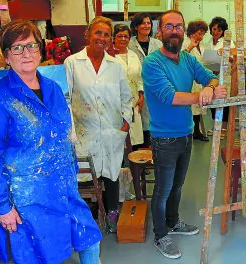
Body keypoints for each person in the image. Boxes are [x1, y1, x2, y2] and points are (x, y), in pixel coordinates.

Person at [0, 20, 101, 263]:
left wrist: (72, 169)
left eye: (31, 45)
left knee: (90, 239)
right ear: (6, 56)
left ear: (40, 50)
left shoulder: (53, 88)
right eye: (17, 48)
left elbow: (63, 136)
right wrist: (2, 206)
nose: (26, 53)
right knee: (40, 256)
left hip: (64, 188)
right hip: (28, 201)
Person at [141, 10, 227, 259]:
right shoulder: (152, 63)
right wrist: (203, 96)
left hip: (186, 133)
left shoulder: (188, 59)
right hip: (163, 137)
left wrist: (210, 87)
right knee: (163, 189)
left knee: (177, 186)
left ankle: (173, 221)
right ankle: (160, 235)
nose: (175, 31)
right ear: (161, 30)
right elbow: (170, 97)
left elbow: (209, 77)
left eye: (179, 26)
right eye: (170, 26)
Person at [64, 16, 133, 233]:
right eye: (98, 33)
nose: (102, 38)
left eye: (106, 35)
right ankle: (86, 219)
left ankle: (112, 214)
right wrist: (71, 132)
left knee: (111, 174)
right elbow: (66, 99)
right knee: (84, 177)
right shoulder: (72, 63)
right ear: (88, 34)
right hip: (84, 133)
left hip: (112, 129)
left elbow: (126, 97)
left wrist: (125, 124)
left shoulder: (115, 66)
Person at [130, 13, 163, 148]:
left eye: (149, 23)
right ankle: (138, 158)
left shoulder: (158, 44)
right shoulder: (130, 44)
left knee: (153, 121)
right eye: (143, 23)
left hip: (155, 87)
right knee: (138, 122)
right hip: (136, 87)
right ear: (136, 26)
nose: (146, 26)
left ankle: (151, 153)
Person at [112, 23, 145, 148]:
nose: (123, 39)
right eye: (119, 36)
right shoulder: (109, 56)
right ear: (113, 38)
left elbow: (139, 77)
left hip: (134, 101)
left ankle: (134, 165)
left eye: (126, 36)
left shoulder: (133, 55)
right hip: (116, 102)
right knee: (118, 137)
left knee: (135, 136)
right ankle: (118, 166)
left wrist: (141, 95)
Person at [183, 19, 210, 141]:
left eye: (203, 33)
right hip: (189, 78)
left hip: (199, 78)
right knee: (191, 106)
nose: (202, 36)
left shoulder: (202, 45)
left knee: (198, 106)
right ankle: (190, 131)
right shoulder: (184, 42)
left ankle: (197, 131)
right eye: (200, 33)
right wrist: (190, 46)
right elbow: (180, 58)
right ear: (192, 32)